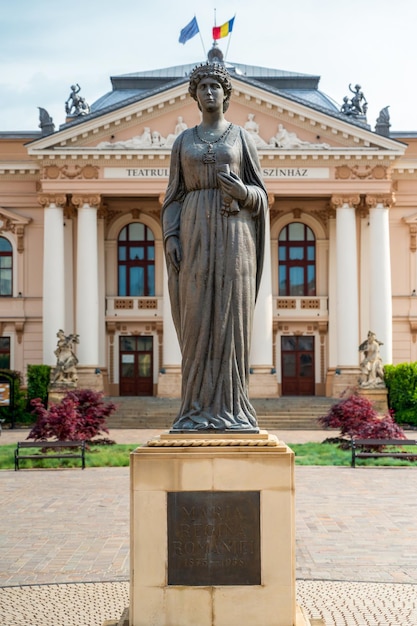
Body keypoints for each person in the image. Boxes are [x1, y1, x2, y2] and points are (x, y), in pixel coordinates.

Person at [161, 62, 268, 431]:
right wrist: (171, 235)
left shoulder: (242, 138)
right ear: (194, 95)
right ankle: (195, 408)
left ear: (226, 94)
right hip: (193, 233)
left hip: (235, 234)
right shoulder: (183, 141)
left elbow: (262, 196)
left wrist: (244, 193)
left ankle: (233, 408)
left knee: (230, 319)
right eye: (202, 86)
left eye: (215, 86)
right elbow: (173, 196)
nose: (209, 92)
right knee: (196, 320)